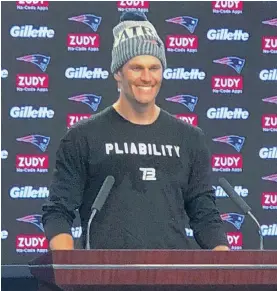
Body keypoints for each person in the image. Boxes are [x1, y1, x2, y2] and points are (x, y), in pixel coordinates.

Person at [42, 11, 230, 251]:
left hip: (174, 278)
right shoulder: (83, 137)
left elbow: (204, 213)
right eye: (136, 68)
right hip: (104, 279)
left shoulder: (189, 138)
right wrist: (69, 266)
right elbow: (58, 211)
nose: (147, 77)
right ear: (118, 73)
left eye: (154, 67)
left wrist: (226, 262)